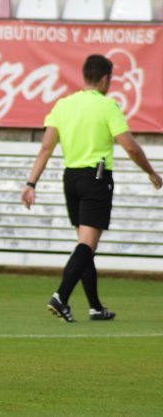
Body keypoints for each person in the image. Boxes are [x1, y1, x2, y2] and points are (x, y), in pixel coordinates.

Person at [22, 54, 161, 323]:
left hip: (70, 178)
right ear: (106, 78)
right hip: (95, 178)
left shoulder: (62, 105)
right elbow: (130, 146)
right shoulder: (107, 106)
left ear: (84, 75)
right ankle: (60, 296)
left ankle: (96, 307)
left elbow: (46, 148)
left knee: (85, 246)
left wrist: (31, 183)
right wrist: (151, 173)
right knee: (87, 245)